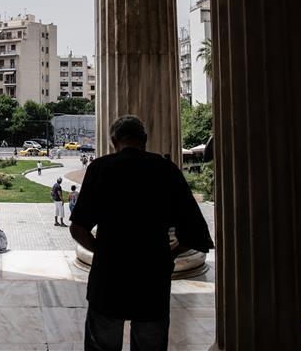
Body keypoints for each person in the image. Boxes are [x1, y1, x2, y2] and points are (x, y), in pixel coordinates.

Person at [69, 115, 213, 351]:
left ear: (114, 140)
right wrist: (171, 253)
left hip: (109, 278)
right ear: (144, 139)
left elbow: (77, 228)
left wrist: (103, 251)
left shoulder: (101, 168)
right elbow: (196, 232)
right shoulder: (166, 170)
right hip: (152, 280)